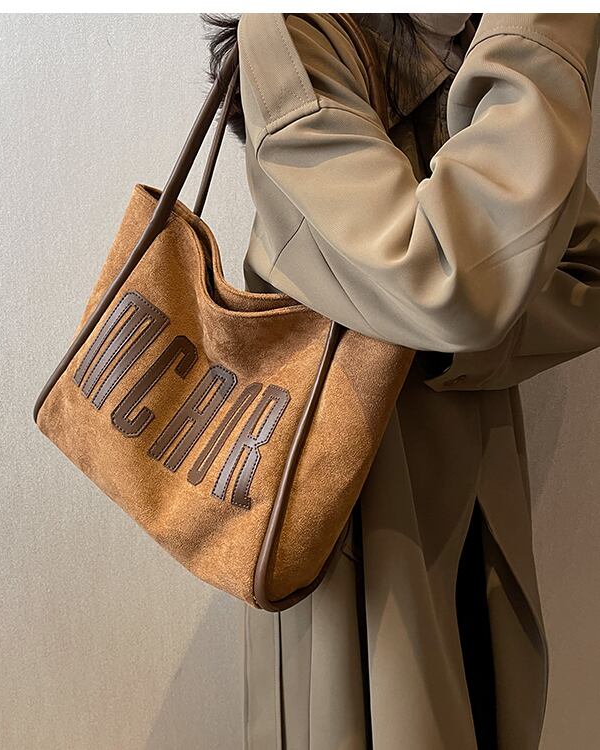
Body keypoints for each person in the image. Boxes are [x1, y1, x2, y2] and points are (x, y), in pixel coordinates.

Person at [202, 12, 600, 750]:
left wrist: (453, 350)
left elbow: (583, 268)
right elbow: (447, 279)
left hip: (473, 501)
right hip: (354, 511)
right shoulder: (298, 32)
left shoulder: (468, 42)